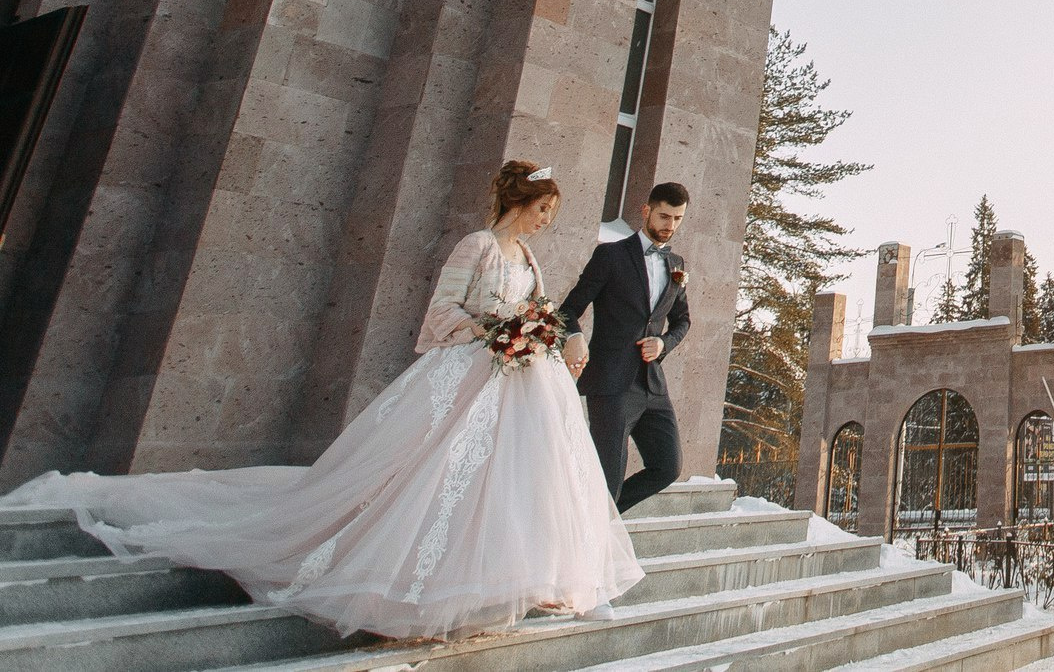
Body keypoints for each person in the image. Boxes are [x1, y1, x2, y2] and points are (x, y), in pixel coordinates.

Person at [2, 162, 642, 639]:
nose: (547, 221)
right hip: (469, 371)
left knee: (524, 477)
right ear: (520, 202)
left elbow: (536, 305)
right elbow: (442, 310)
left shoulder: (525, 253)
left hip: (518, 380)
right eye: (543, 209)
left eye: (551, 213)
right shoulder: (476, 245)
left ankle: (539, 579)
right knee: (432, 475)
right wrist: (495, 332)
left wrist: (547, 331)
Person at [559, 181, 691, 511]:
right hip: (611, 383)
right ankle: (596, 528)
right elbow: (568, 310)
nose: (670, 225)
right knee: (608, 479)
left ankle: (603, 522)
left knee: (668, 467)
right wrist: (575, 338)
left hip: (653, 385)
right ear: (646, 211)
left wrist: (663, 343)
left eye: (677, 218)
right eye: (664, 216)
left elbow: (682, 321)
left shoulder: (677, 264)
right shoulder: (611, 256)